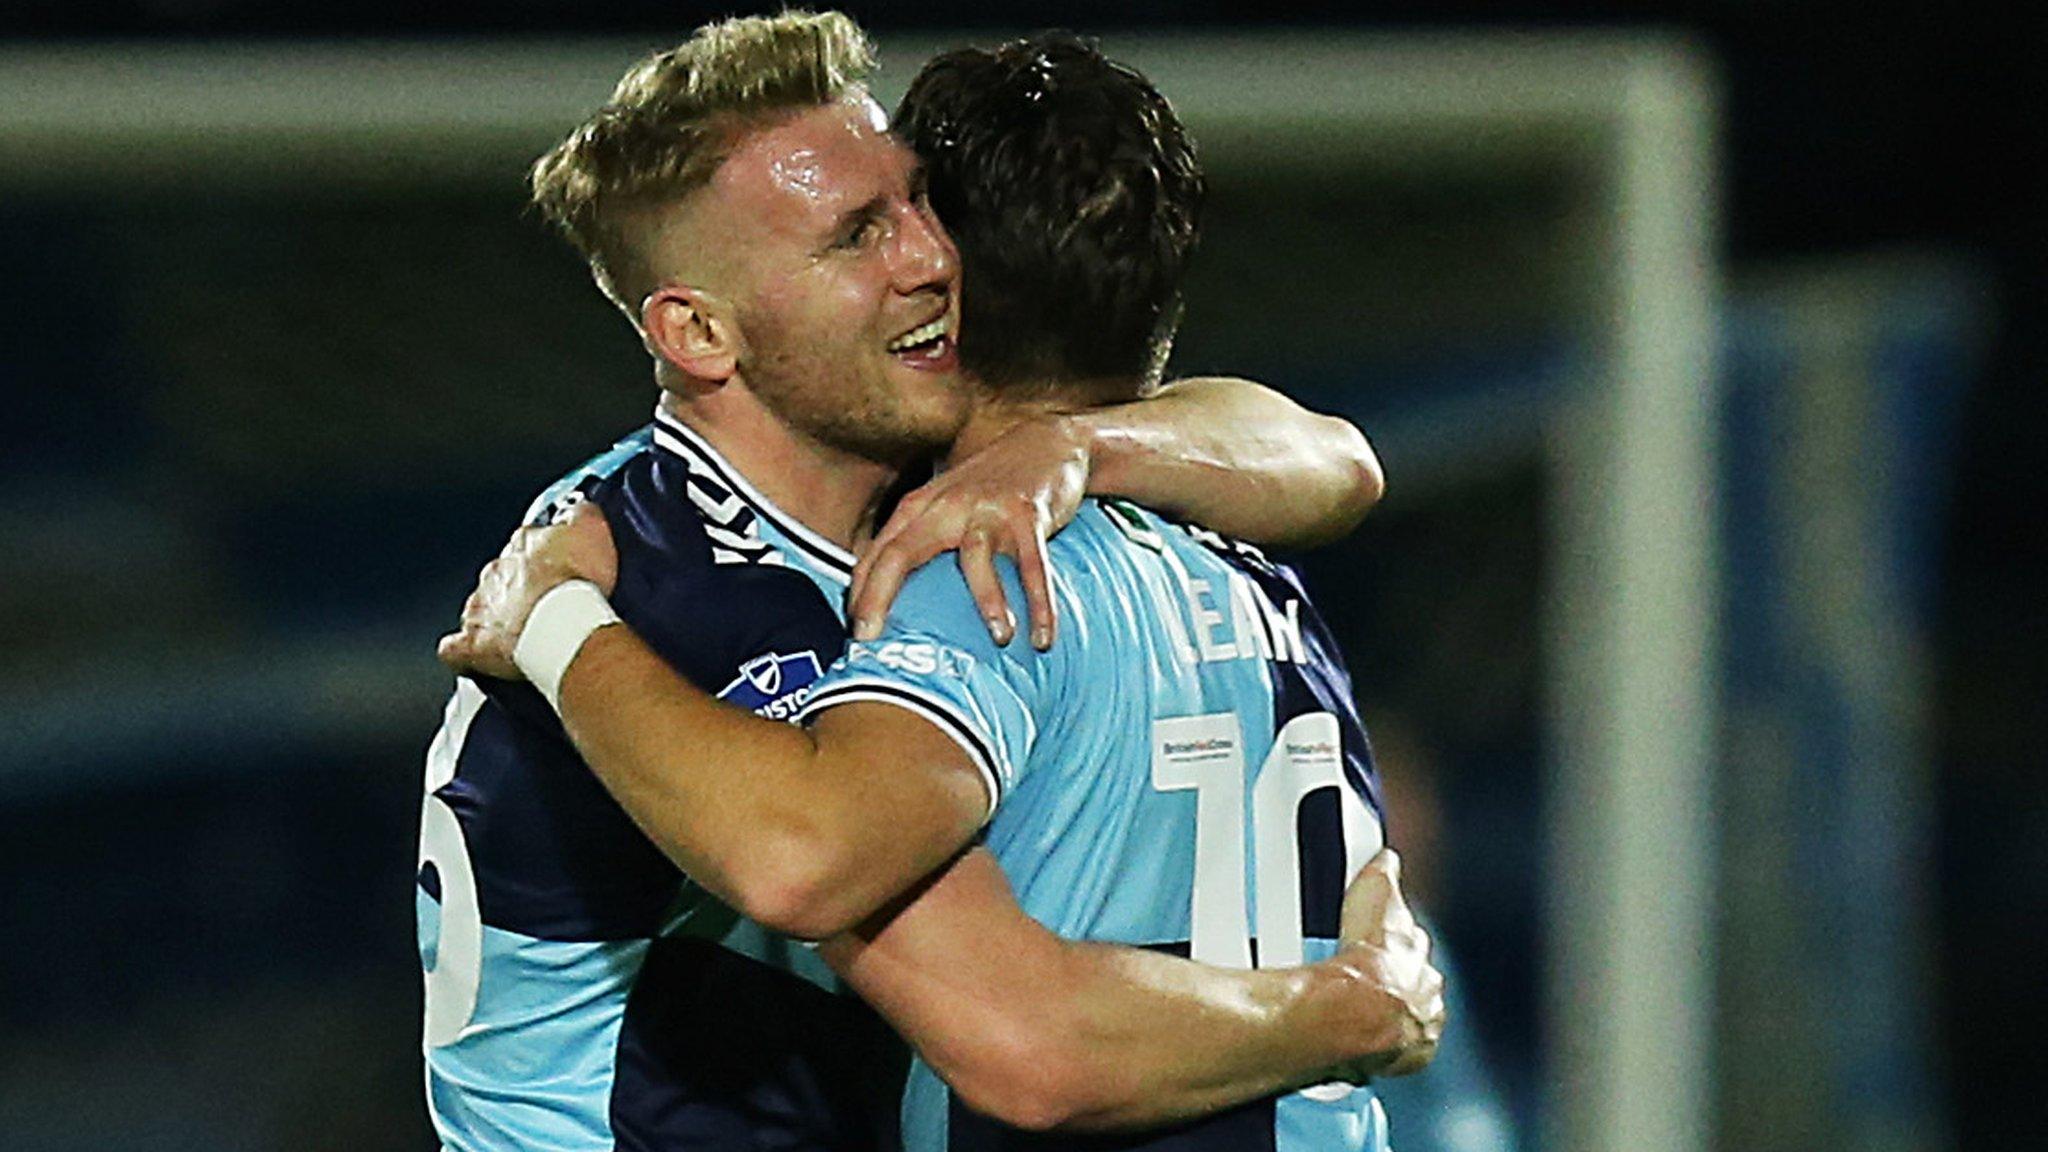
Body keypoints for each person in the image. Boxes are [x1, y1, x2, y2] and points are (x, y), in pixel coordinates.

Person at [440, 20, 1439, 1152]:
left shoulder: (931, 500)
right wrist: (1346, 1010)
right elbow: (1009, 1028)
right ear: (699, 330)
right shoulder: (658, 585)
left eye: (916, 203)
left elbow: (1330, 459)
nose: (929, 258)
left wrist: (1083, 447)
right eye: (855, 236)